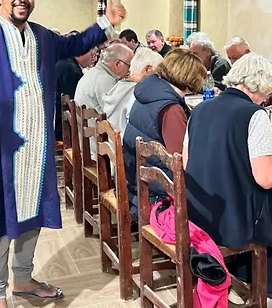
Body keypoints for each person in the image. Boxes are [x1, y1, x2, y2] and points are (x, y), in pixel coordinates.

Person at [0, 0, 125, 308]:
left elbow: (75, 44)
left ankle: (23, 280)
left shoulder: (42, 36)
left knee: (33, 212)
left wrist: (106, 23)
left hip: (37, 148)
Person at [182, 53, 272, 308]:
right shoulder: (254, 114)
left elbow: (187, 163)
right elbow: (266, 179)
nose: (266, 97)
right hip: (231, 221)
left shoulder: (200, 109)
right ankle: (267, 292)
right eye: (266, 91)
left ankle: (237, 279)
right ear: (260, 85)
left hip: (199, 212)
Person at [123, 48, 206, 219]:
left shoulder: (148, 92)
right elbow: (180, 160)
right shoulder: (170, 108)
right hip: (156, 196)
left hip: (136, 184)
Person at [103, 47, 163, 138]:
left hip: (112, 142)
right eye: (158, 74)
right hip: (124, 144)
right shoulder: (138, 93)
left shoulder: (119, 85)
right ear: (148, 70)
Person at [54, 33, 95, 141]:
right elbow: (77, 103)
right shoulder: (71, 70)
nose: (93, 57)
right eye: (90, 52)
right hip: (60, 127)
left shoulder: (64, 61)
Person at [74, 43, 133, 115]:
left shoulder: (95, 72)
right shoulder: (105, 80)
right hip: (94, 122)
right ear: (117, 64)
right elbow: (116, 115)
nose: (130, 71)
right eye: (129, 66)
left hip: (83, 121)